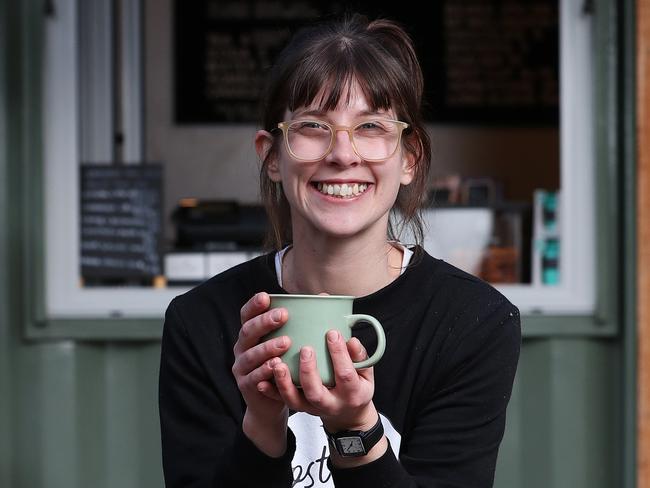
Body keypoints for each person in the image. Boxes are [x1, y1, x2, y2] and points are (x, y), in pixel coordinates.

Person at [159, 13, 521, 488]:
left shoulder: (473, 323)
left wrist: (355, 433)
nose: (343, 154)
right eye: (313, 126)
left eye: (371, 126)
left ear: (409, 158)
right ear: (272, 156)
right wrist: (262, 428)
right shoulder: (202, 322)